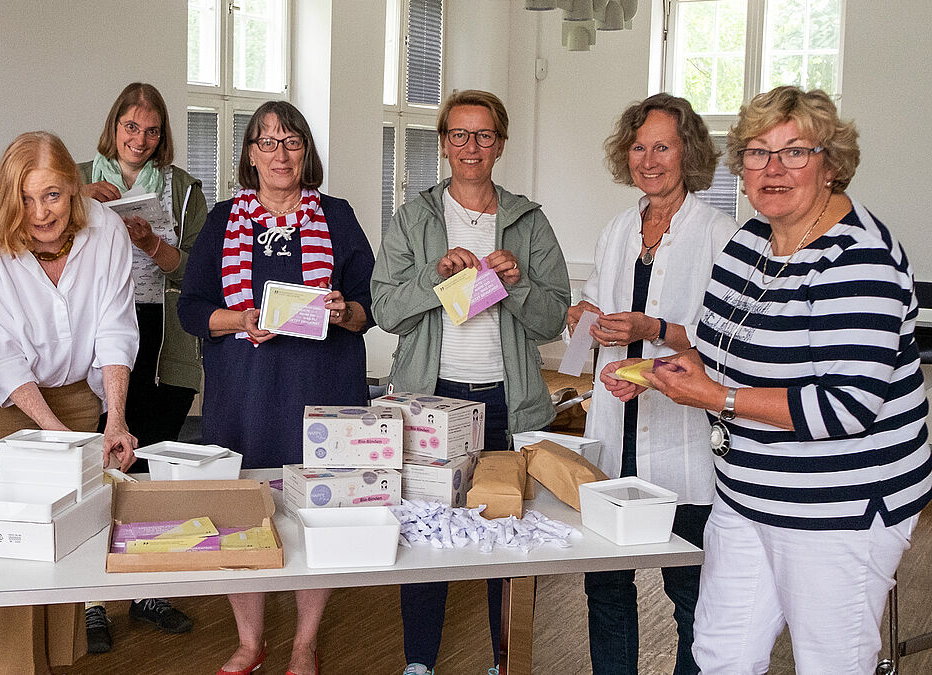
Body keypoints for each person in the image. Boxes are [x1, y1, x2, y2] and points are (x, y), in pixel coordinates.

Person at [603, 86, 932, 674]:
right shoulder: (751, 241)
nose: (772, 169)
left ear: (832, 164)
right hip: (746, 490)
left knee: (831, 661)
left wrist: (712, 396)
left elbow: (843, 410)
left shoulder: (862, 259)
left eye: (794, 152)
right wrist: (664, 372)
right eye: (757, 152)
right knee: (720, 654)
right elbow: (714, 347)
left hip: (841, 505)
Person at [371, 89, 570, 675]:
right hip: (430, 402)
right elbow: (385, 310)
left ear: (500, 145)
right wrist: (435, 277)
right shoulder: (415, 217)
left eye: (483, 136)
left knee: (505, 534)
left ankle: (502, 662)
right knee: (426, 536)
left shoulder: (527, 220)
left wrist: (518, 285)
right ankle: (419, 663)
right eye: (459, 135)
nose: (471, 147)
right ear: (443, 144)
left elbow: (553, 316)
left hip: (507, 403)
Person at [179, 100, 374, 675]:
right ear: (249, 155)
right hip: (243, 396)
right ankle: (249, 640)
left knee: (321, 515)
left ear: (306, 152)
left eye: (291, 142)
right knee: (245, 515)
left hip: (324, 390)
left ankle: (305, 642)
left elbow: (370, 307)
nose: (279, 153)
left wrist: (343, 312)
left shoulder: (336, 216)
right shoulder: (221, 220)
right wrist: (239, 320)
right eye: (267, 142)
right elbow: (193, 309)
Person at [567, 93, 737, 675]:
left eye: (662, 146)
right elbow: (600, 314)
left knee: (691, 597)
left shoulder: (720, 232)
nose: (649, 159)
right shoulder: (618, 230)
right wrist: (587, 319)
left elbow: (731, 337)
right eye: (639, 147)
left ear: (687, 152)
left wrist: (654, 332)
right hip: (616, 439)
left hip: (686, 445)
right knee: (607, 589)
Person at [0, 131, 138, 672]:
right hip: (3, 405)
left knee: (69, 541)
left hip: (79, 397)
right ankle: (15, 667)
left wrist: (116, 420)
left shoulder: (106, 231)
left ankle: (60, 661)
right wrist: (58, 437)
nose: (40, 213)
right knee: (15, 549)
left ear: (75, 188)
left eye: (53, 195)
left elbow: (115, 328)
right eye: (27, 199)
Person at [76, 82, 204, 649]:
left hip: (162, 337)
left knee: (149, 467)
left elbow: (198, 273)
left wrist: (152, 243)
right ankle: (89, 599)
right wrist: (82, 200)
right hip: (93, 339)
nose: (140, 139)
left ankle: (146, 586)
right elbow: (38, 240)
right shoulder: (76, 176)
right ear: (113, 127)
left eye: (152, 131)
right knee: (95, 469)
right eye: (131, 127)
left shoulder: (181, 188)